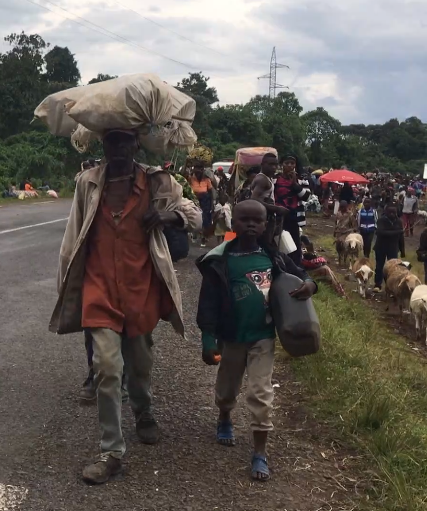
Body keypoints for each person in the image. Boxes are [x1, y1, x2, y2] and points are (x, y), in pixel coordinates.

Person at [49, 128, 201, 485]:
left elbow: (194, 217)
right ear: (103, 145)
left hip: (141, 287)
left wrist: (168, 217)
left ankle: (144, 411)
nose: (117, 148)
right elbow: (73, 233)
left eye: (124, 141)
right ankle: (112, 452)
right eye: (111, 141)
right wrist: (65, 280)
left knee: (141, 363)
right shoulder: (88, 182)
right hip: (99, 288)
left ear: (136, 144)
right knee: (106, 367)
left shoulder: (157, 181)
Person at [196, 199, 317, 482]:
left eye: (257, 221)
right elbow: (208, 303)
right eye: (244, 219)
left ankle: (260, 452)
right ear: (232, 223)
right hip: (232, 337)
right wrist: (207, 337)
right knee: (227, 388)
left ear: (265, 225)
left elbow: (301, 275)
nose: (251, 225)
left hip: (262, 337)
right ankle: (224, 416)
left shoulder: (272, 257)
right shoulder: (220, 261)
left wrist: (309, 285)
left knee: (260, 393)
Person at [273, 155, 310, 265]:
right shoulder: (275, 179)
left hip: (294, 216)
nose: (289, 166)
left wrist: (294, 184)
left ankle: (295, 267)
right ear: (281, 165)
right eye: (286, 163)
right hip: (278, 216)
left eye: (292, 163)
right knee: (277, 241)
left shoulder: (301, 180)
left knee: (294, 243)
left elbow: (306, 196)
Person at [373, 205, 405, 293]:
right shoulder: (381, 220)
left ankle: (390, 286)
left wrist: (402, 251)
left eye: (394, 212)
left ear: (396, 212)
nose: (392, 214)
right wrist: (397, 231)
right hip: (381, 247)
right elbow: (381, 232)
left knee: (393, 268)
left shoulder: (399, 222)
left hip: (393, 248)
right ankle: (377, 284)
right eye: (390, 212)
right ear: (386, 212)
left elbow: (401, 238)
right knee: (379, 266)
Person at [187, 145, 214, 247]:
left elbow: (211, 192)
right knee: (194, 217)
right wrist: (186, 163)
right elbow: (182, 174)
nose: (199, 170)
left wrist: (212, 205)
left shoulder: (207, 179)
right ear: (194, 169)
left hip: (205, 201)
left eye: (201, 168)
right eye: (197, 168)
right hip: (194, 200)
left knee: (205, 219)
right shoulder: (190, 178)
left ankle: (203, 238)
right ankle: (194, 234)